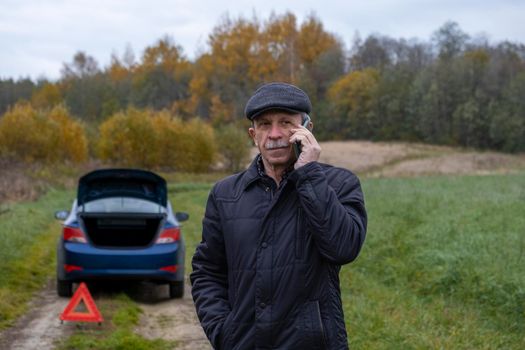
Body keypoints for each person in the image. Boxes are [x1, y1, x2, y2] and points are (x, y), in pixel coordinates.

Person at [191, 82, 367, 349]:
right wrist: (224, 332)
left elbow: (344, 248)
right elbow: (207, 271)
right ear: (253, 134)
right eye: (264, 124)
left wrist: (308, 174)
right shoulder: (225, 194)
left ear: (307, 129)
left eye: (285, 122)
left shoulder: (338, 184)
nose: (274, 134)